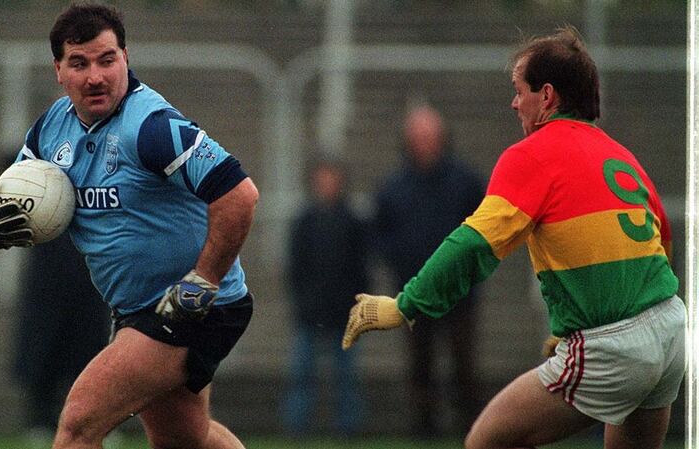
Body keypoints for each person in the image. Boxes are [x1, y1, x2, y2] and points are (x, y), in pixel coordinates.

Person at [342, 26, 685, 449]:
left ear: (547, 96)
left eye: (519, 90)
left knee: (486, 440)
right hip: (670, 331)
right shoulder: (620, 155)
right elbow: (661, 243)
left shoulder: (532, 154)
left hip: (614, 346)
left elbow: (473, 244)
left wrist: (404, 306)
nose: (513, 102)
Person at [0, 3, 259, 449]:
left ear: (126, 57)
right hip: (137, 310)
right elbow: (11, 198)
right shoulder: (50, 129)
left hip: (191, 307)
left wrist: (204, 280)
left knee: (79, 425)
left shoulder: (152, 127)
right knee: (186, 439)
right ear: (58, 70)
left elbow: (240, 196)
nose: (95, 76)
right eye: (79, 63)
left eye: (107, 59)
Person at [373, 104, 485, 436]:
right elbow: (379, 235)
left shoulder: (465, 181)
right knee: (419, 364)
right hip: (415, 291)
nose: (424, 143)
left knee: (464, 365)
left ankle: (475, 429)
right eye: (418, 136)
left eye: (429, 136)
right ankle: (424, 428)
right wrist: (401, 261)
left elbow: (485, 230)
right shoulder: (393, 187)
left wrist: (467, 271)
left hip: (459, 292)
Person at [282, 158, 367, 436]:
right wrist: (304, 302)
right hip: (311, 312)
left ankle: (348, 427)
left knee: (346, 377)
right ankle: (297, 427)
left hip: (344, 311)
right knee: (302, 375)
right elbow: (295, 268)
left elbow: (360, 266)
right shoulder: (304, 222)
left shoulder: (352, 221)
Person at [11, 231, 110, 443]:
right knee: (42, 346)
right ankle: (41, 419)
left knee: (90, 346)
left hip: (89, 275)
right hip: (48, 278)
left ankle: (96, 420)